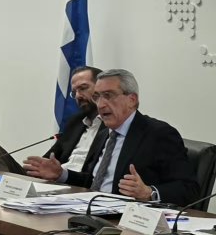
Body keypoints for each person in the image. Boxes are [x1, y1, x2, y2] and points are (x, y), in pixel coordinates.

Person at [21, 68, 200, 206]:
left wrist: (149, 192)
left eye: (108, 96)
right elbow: (93, 181)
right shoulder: (105, 133)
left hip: (127, 220)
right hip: (88, 210)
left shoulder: (158, 134)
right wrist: (62, 174)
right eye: (97, 97)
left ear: (132, 100)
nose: (100, 104)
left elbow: (189, 189)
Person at [0, 66, 104, 174]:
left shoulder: (110, 127)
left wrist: (62, 175)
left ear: (101, 88)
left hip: (75, 181)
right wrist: (36, 168)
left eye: (83, 88)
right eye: (74, 92)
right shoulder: (76, 122)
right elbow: (50, 157)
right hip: (53, 178)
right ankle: (6, 185)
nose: (78, 96)